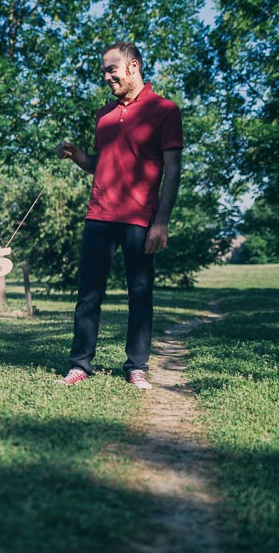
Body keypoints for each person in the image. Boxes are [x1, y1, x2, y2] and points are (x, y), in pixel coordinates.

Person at [55, 42, 183, 390]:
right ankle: (80, 364)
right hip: (99, 215)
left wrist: (162, 220)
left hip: (140, 219)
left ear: (133, 66)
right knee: (88, 294)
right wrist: (77, 155)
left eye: (112, 70)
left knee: (140, 294)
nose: (107, 77)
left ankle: (136, 366)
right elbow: (100, 164)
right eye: (104, 72)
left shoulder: (165, 110)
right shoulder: (104, 115)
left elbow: (173, 170)